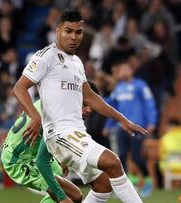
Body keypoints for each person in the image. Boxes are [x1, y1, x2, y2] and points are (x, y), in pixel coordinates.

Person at [13, 9, 147, 203]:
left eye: (79, 32)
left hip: (77, 132)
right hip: (60, 134)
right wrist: (35, 117)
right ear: (58, 30)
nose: (74, 37)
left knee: (103, 185)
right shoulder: (45, 57)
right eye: (69, 31)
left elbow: (91, 97)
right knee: (113, 162)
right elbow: (19, 88)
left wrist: (122, 120)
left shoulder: (76, 62)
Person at [1, 99, 82, 203]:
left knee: (59, 177)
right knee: (75, 196)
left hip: (33, 151)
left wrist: (60, 157)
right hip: (17, 160)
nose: (87, 110)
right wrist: (62, 198)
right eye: (84, 105)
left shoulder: (47, 101)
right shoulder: (54, 113)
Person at [103, 60, 157, 197]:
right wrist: (108, 126)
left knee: (137, 157)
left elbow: (149, 103)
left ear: (131, 71)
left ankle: (148, 182)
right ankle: (125, 187)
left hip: (137, 126)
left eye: (126, 69)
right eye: (121, 70)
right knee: (120, 156)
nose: (124, 72)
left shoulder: (140, 85)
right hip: (121, 128)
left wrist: (151, 122)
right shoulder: (118, 88)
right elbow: (112, 109)